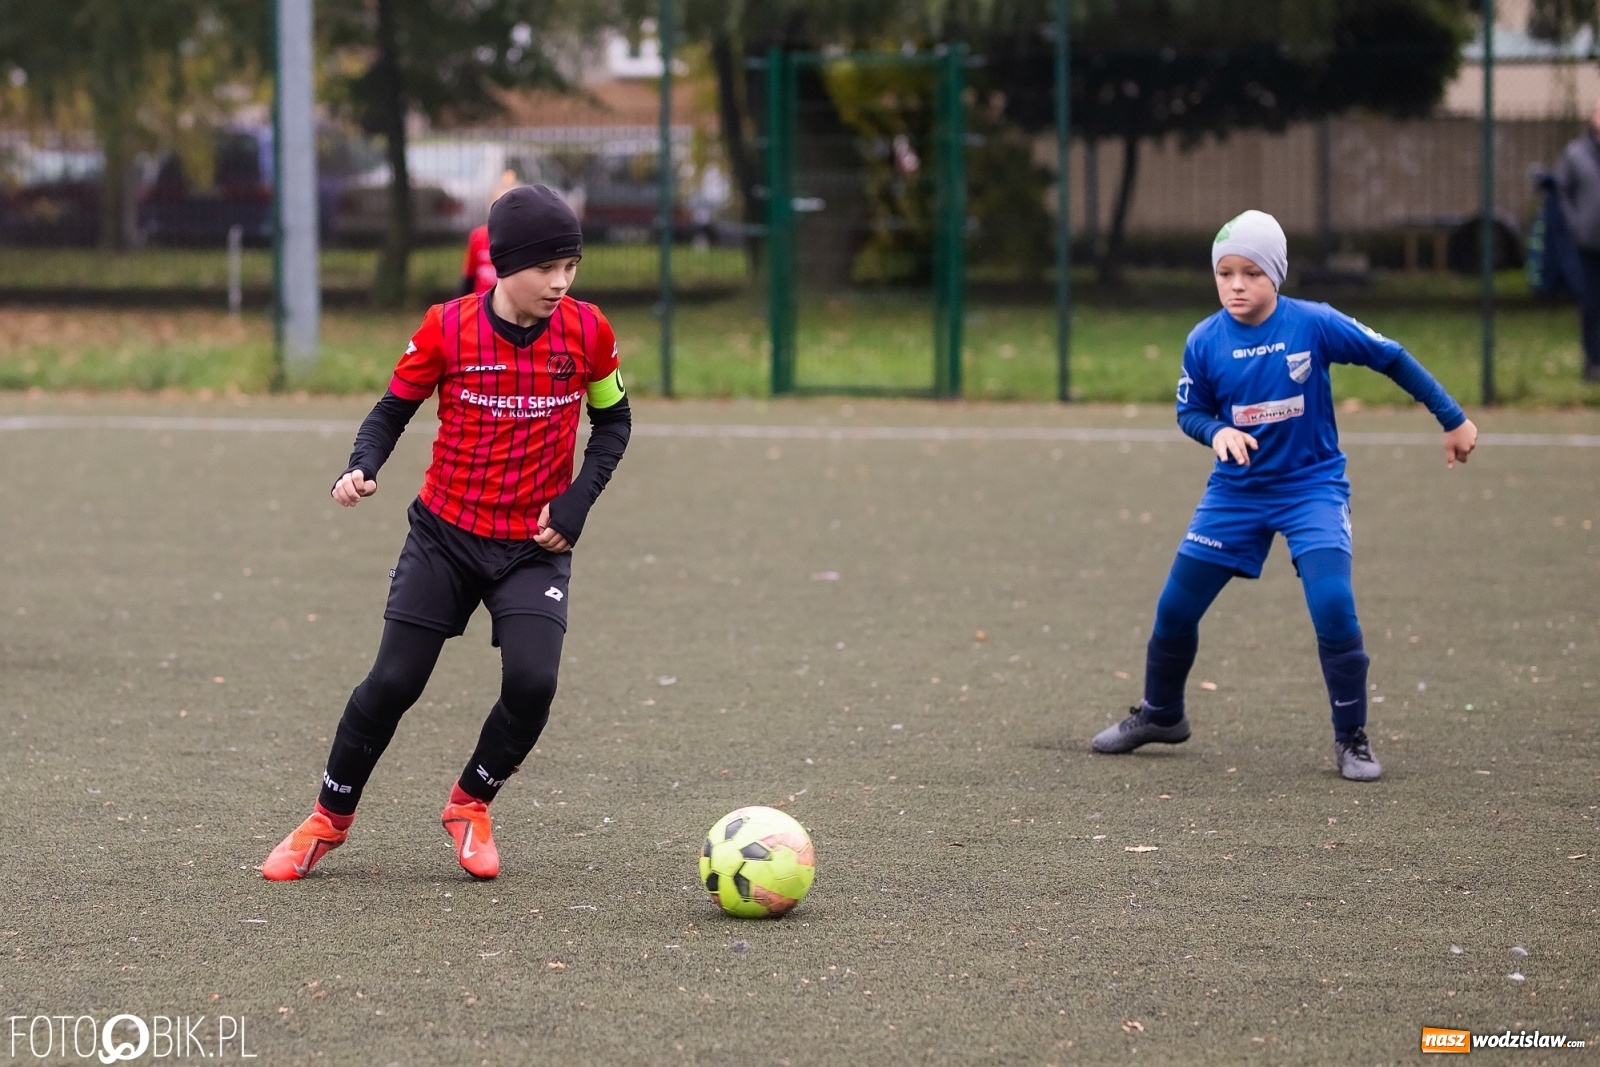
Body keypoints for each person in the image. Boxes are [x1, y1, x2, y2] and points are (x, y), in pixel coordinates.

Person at [262, 184, 632, 880]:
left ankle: (470, 803)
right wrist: (362, 464)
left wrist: (578, 501)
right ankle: (327, 819)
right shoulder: (445, 328)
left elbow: (613, 422)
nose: (561, 282)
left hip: (533, 544)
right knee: (393, 682)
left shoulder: (589, 332)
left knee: (532, 683)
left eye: (571, 267)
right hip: (446, 535)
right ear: (503, 263)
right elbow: (391, 409)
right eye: (547, 267)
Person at [1092, 210, 1477, 781]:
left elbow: (1390, 355)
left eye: (1251, 272)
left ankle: (1352, 739)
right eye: (1225, 273)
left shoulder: (1313, 325)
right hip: (1236, 493)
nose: (1237, 285)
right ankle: (1161, 713)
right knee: (1175, 609)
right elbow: (1189, 411)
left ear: (1276, 274)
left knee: (1332, 606)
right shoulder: (1204, 341)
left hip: (1311, 488)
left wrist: (1453, 418)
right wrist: (1216, 431)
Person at [1555, 99, 1600, 381]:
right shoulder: (1575, 154)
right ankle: (1593, 363)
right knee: (1591, 306)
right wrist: (1576, 224)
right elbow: (1560, 194)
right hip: (1589, 246)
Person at [459, 170, 521, 298]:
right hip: (480, 304)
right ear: (490, 206)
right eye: (499, 204)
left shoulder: (527, 238)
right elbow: (469, 277)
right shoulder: (478, 235)